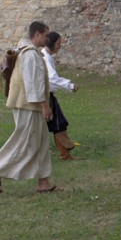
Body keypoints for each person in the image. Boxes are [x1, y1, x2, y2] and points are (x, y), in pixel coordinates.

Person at [0, 21, 62, 193]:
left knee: (41, 142)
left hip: (31, 105)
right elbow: (32, 83)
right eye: (45, 35)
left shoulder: (32, 53)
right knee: (25, 140)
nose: (47, 39)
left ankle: (43, 183)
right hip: (28, 105)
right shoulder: (30, 55)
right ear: (37, 34)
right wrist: (44, 105)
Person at [42, 31, 81, 160]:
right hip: (45, 97)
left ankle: (65, 154)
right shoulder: (44, 57)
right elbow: (52, 78)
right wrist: (69, 85)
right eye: (58, 43)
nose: (60, 46)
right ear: (51, 43)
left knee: (59, 124)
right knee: (53, 125)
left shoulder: (48, 57)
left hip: (49, 96)